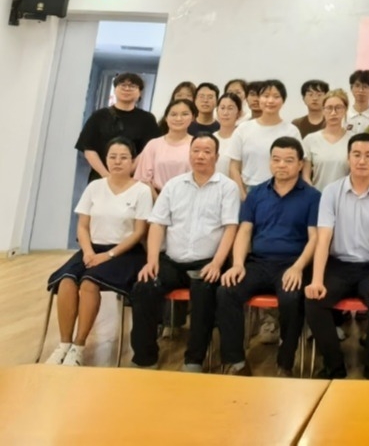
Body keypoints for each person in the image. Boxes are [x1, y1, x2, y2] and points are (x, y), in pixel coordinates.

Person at [129, 133, 240, 371]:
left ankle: (194, 360)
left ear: (216, 156)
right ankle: (145, 358)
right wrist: (151, 260)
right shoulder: (173, 185)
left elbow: (231, 228)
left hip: (207, 262)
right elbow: (157, 224)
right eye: (196, 151)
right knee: (144, 287)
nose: (200, 156)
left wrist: (217, 263)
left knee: (204, 295)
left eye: (207, 152)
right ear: (189, 154)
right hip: (172, 260)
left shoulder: (227, 187)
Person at [216, 137, 320, 376]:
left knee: (292, 298)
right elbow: (244, 231)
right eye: (276, 159)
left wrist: (298, 267)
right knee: (226, 291)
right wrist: (238, 264)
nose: (281, 165)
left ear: (300, 164)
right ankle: (236, 362)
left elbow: (315, 238)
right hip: (259, 262)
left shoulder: (313, 196)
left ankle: (285, 362)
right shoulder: (256, 194)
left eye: (288, 160)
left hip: (292, 264)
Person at [45, 138, 152, 366]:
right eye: (112, 157)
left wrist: (109, 255)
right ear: (106, 159)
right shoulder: (94, 187)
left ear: (133, 161)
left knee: (89, 282)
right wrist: (87, 251)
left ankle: (79, 347)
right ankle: (64, 344)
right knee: (66, 280)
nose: (117, 162)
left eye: (123, 157)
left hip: (125, 252)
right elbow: (83, 226)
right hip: (92, 249)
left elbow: (139, 233)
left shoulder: (142, 191)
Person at [305, 133, 369, 379]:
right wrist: (317, 280)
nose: (362, 161)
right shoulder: (331, 191)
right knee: (314, 300)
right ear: (348, 158)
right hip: (338, 265)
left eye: (368, 155)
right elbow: (323, 238)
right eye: (356, 155)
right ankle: (333, 365)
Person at [75, 73, 159, 182]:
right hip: (101, 177)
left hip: (132, 178)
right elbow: (89, 148)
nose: (127, 89)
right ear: (115, 90)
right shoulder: (99, 116)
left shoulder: (147, 119)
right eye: (122, 85)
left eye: (132, 86)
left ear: (140, 92)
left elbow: (149, 150)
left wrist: (127, 172)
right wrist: (106, 175)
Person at [228, 80, 303, 200]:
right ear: (259, 99)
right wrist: (243, 195)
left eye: (276, 96)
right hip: (250, 190)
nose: (270, 101)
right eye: (266, 96)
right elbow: (234, 166)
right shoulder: (243, 129)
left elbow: (299, 165)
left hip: (284, 191)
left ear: (283, 101)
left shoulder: (291, 131)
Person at [133, 99, 195, 197]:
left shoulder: (197, 144)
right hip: (155, 198)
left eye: (185, 114)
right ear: (166, 118)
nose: (178, 118)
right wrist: (159, 201)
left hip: (188, 198)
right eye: (173, 114)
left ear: (193, 117)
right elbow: (143, 179)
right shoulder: (153, 144)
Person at [303, 89, 351, 190]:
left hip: (345, 195)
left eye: (338, 108)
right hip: (318, 195)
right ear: (323, 110)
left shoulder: (353, 140)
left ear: (345, 110)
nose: (333, 113)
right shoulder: (310, 140)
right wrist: (314, 194)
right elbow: (305, 176)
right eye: (329, 108)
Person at [215, 92, 243, 179]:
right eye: (222, 108)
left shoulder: (242, 138)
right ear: (217, 111)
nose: (225, 113)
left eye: (230, 108)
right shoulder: (211, 138)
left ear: (239, 113)